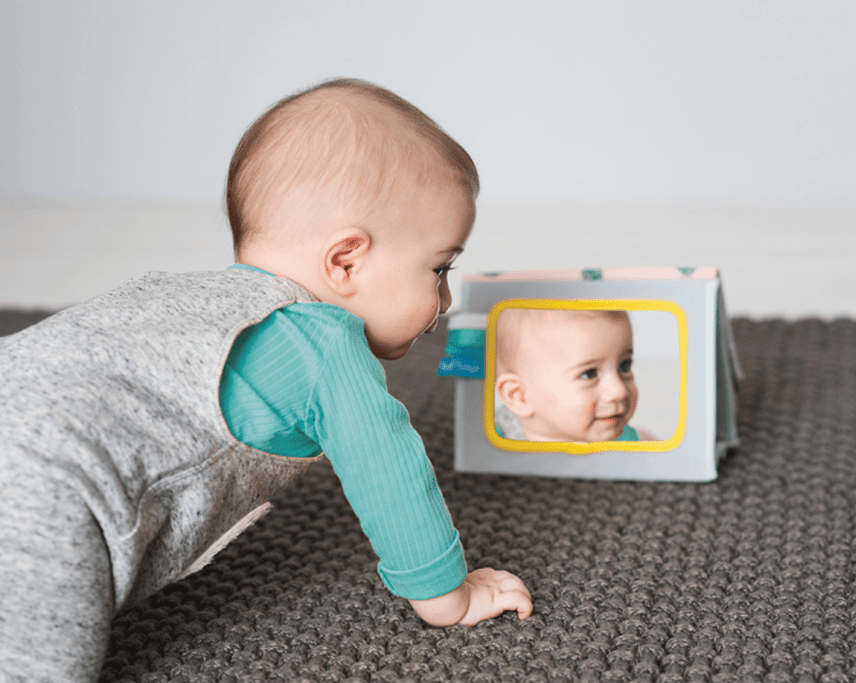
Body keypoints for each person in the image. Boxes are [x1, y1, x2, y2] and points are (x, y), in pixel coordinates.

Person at [0, 78, 531, 682]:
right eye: (439, 268)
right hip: (49, 477)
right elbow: (390, 474)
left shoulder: (171, 291)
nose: (445, 298)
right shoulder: (323, 340)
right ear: (345, 260)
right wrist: (448, 596)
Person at [494, 308, 654, 443]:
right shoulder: (490, 446)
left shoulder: (630, 443)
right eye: (589, 374)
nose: (619, 391)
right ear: (520, 396)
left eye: (624, 366)